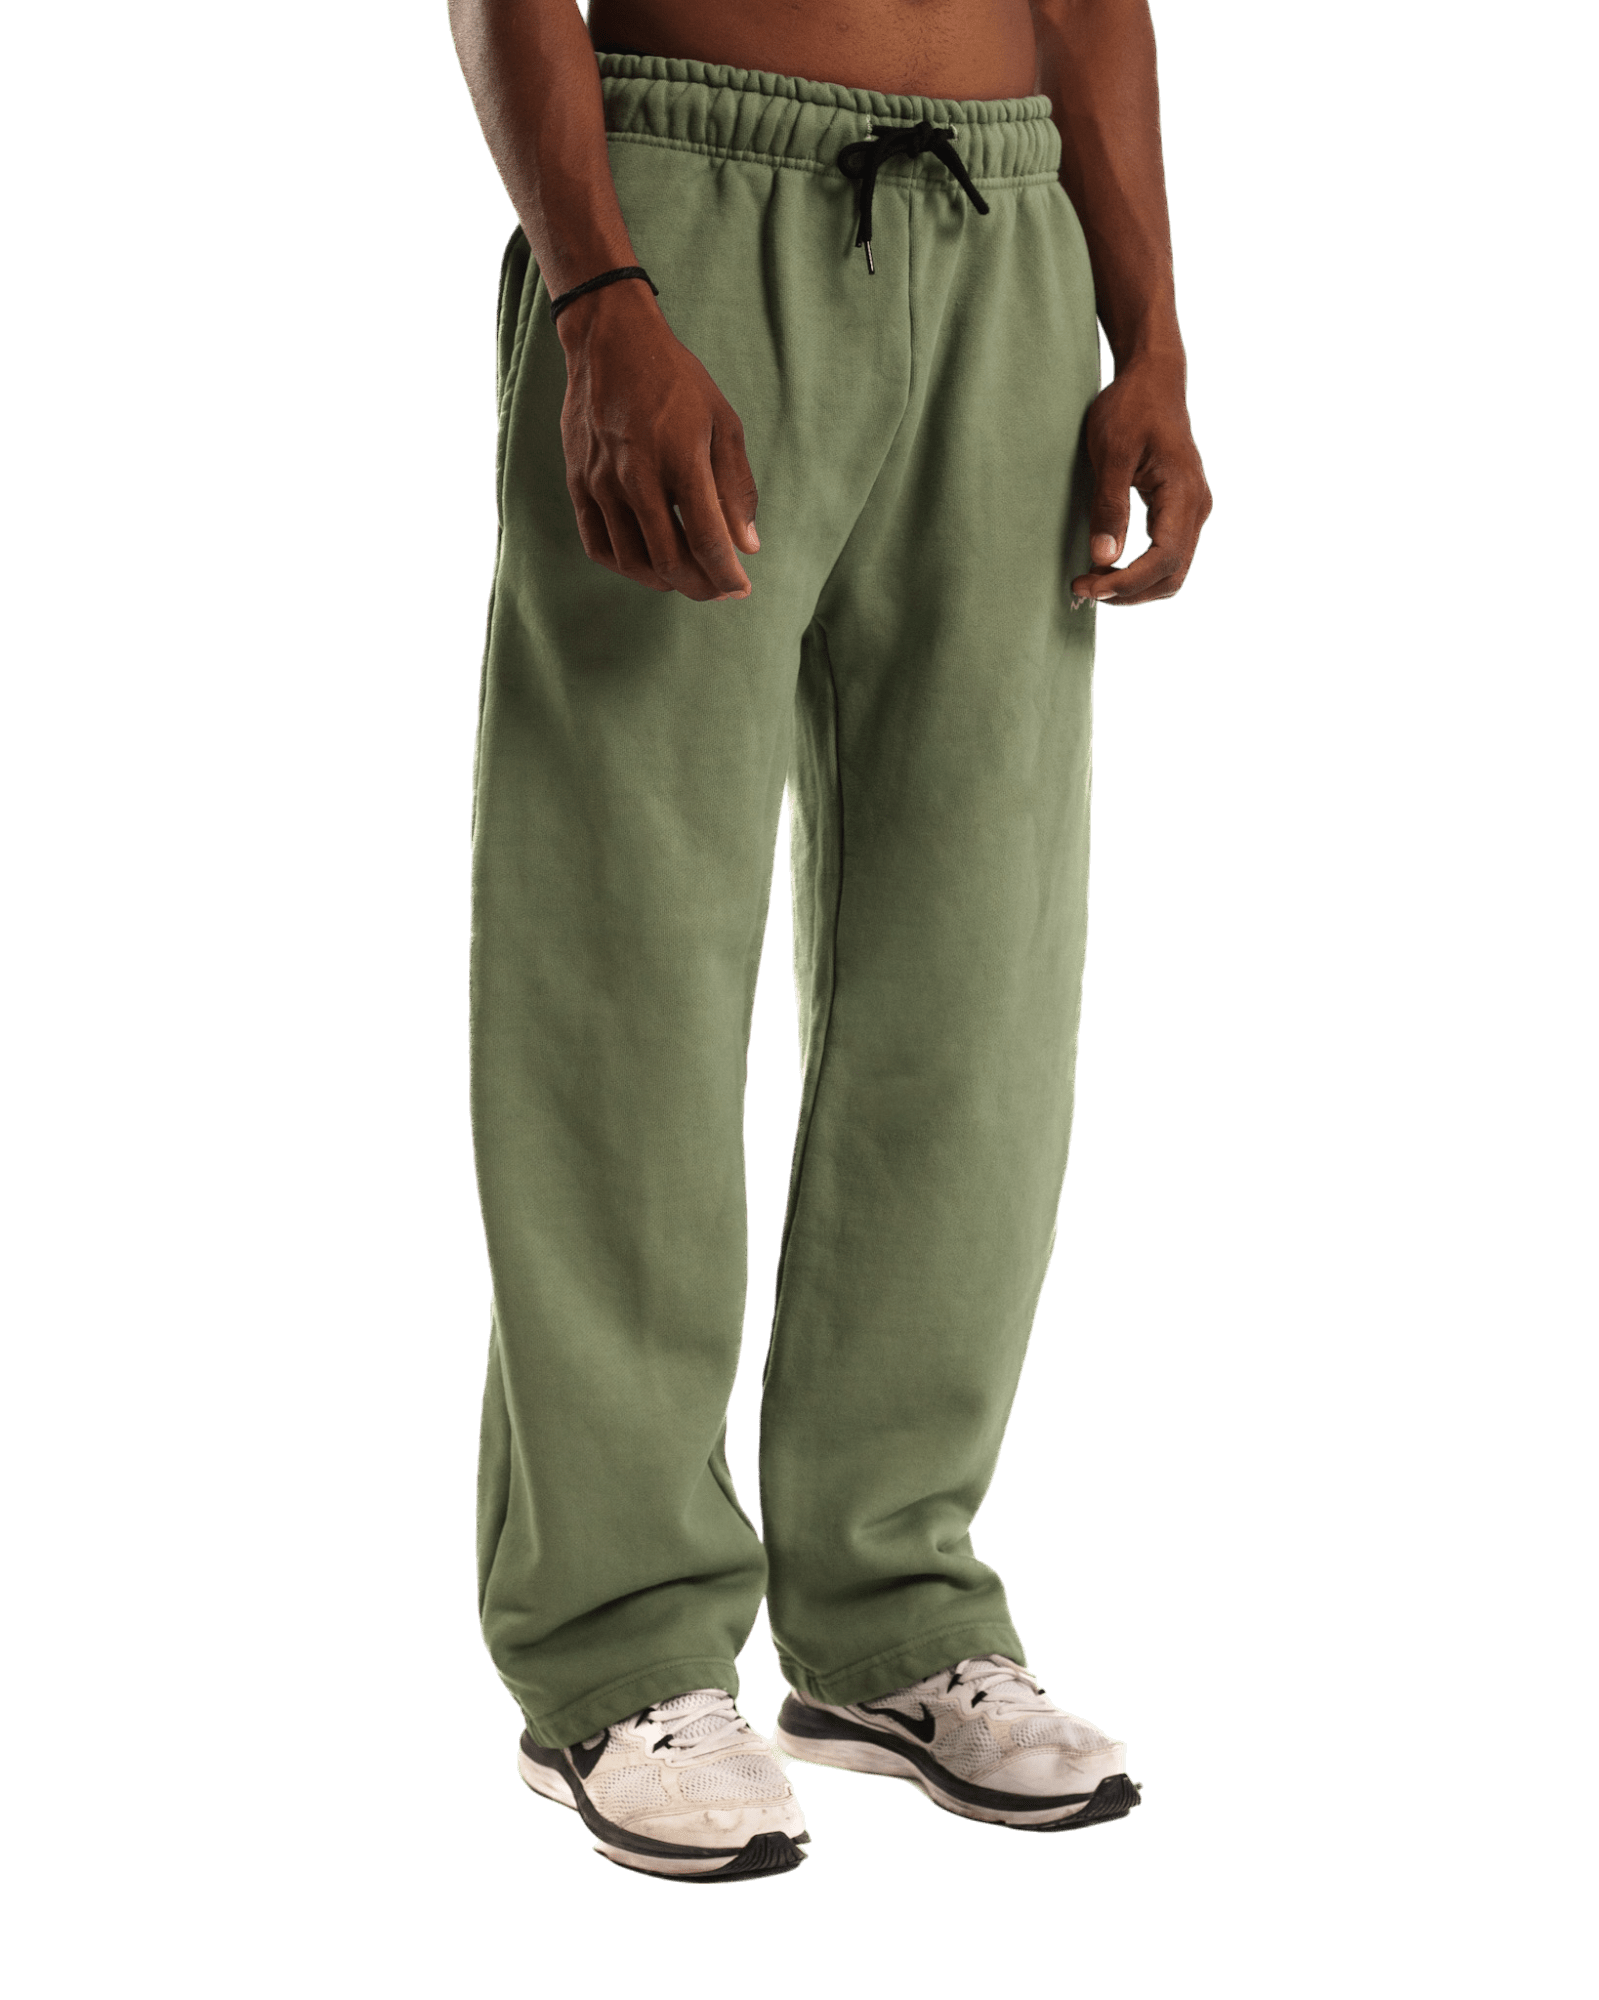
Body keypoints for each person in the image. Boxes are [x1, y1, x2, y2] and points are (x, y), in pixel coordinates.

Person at [446, 0, 1210, 1883]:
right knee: (624, 957)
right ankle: (616, 1648)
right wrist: (599, 294)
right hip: (682, 207)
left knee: (979, 973)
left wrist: (1148, 336)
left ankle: (892, 1618)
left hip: (1010, 232)